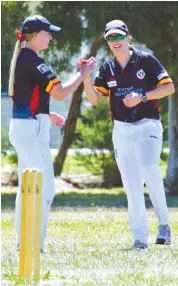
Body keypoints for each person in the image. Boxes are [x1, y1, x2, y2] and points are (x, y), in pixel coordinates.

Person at [82, 20, 175, 249]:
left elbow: (169, 87)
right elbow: (94, 99)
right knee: (131, 184)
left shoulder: (146, 60)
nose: (115, 42)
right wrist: (85, 76)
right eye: (110, 38)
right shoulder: (107, 68)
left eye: (118, 37)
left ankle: (164, 224)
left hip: (148, 125)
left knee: (148, 167)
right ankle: (140, 238)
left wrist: (142, 96)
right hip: (122, 129)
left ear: (128, 36)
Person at [8, 15, 96, 252]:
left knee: (35, 189)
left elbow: (30, 96)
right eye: (47, 33)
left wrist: (46, 115)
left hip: (30, 127)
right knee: (39, 188)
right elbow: (60, 92)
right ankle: (31, 245)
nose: (50, 36)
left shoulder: (27, 58)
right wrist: (83, 72)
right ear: (35, 35)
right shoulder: (34, 61)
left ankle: (29, 243)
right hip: (28, 130)